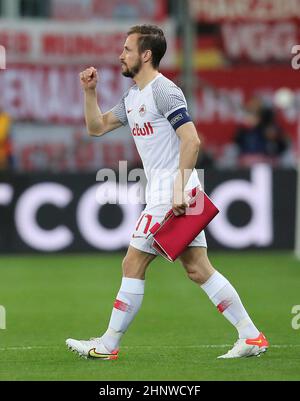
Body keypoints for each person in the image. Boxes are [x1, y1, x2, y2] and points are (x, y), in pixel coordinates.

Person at [66, 25, 268, 360]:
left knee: (132, 263)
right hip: (173, 192)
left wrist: (178, 189)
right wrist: (90, 92)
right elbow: (96, 127)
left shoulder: (165, 91)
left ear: (146, 55)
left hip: (172, 193)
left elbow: (192, 140)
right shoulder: (133, 98)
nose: (121, 54)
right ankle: (251, 336)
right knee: (198, 269)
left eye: (128, 49)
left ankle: (107, 346)